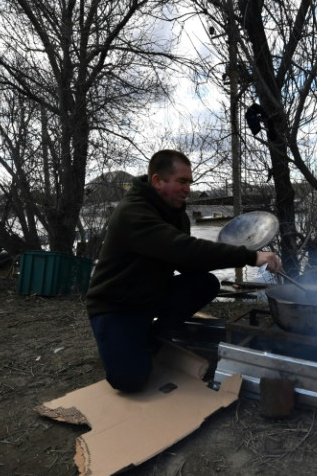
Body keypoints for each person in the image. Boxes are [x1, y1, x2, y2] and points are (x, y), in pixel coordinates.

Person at [86, 149, 282, 393]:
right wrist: (250, 256)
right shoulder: (133, 213)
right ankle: (128, 341)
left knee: (206, 283)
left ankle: (153, 335)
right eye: (181, 181)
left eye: (189, 182)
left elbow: (188, 264)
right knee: (130, 382)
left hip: (149, 295)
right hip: (116, 307)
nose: (187, 189)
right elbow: (184, 249)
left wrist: (228, 250)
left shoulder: (177, 214)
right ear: (157, 181)